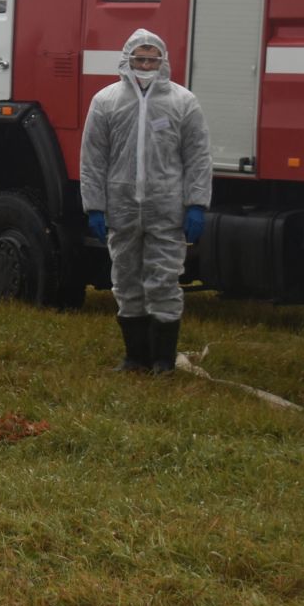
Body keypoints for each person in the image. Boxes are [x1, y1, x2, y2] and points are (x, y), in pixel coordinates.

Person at [80, 30, 213, 374]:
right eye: (140, 58)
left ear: (163, 61)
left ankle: (163, 361)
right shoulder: (106, 101)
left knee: (165, 280)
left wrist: (196, 202)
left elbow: (197, 156)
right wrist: (94, 205)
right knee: (125, 279)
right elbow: (93, 159)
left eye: (152, 59)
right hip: (122, 207)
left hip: (166, 206)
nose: (145, 65)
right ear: (127, 60)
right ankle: (135, 357)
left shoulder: (183, 102)